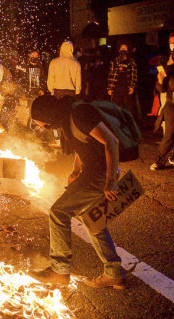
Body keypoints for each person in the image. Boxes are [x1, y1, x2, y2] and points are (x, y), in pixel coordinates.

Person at [28, 95, 125, 289]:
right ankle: (113, 273)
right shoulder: (66, 118)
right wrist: (75, 171)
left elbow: (111, 142)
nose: (44, 127)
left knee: (58, 212)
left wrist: (111, 181)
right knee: (92, 221)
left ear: (49, 114)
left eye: (44, 124)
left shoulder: (79, 114)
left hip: (100, 175)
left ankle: (59, 270)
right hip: (93, 172)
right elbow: (84, 145)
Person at [107, 41, 138, 118]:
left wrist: (132, 86)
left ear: (127, 50)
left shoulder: (131, 61)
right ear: (119, 50)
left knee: (129, 108)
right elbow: (110, 75)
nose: (123, 50)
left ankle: (130, 124)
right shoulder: (114, 61)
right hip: (116, 88)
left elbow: (134, 75)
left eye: (125, 48)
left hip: (126, 88)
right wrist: (109, 88)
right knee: (115, 108)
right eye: (122, 48)